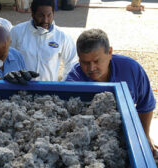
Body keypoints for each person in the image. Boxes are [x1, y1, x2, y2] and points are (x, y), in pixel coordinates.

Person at [66, 28, 157, 156]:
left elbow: (146, 105)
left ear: (110, 52)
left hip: (127, 133)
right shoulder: (73, 82)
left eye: (96, 61)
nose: (91, 68)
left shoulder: (131, 69)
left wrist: (145, 135)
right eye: (85, 62)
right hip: (90, 142)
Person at [10, 0, 77, 81]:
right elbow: (8, 58)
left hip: (50, 90)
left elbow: (72, 64)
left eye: (49, 15)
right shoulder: (17, 32)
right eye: (41, 16)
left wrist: (63, 85)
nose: (45, 20)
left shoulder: (62, 36)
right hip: (22, 89)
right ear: (32, 14)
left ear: (53, 14)